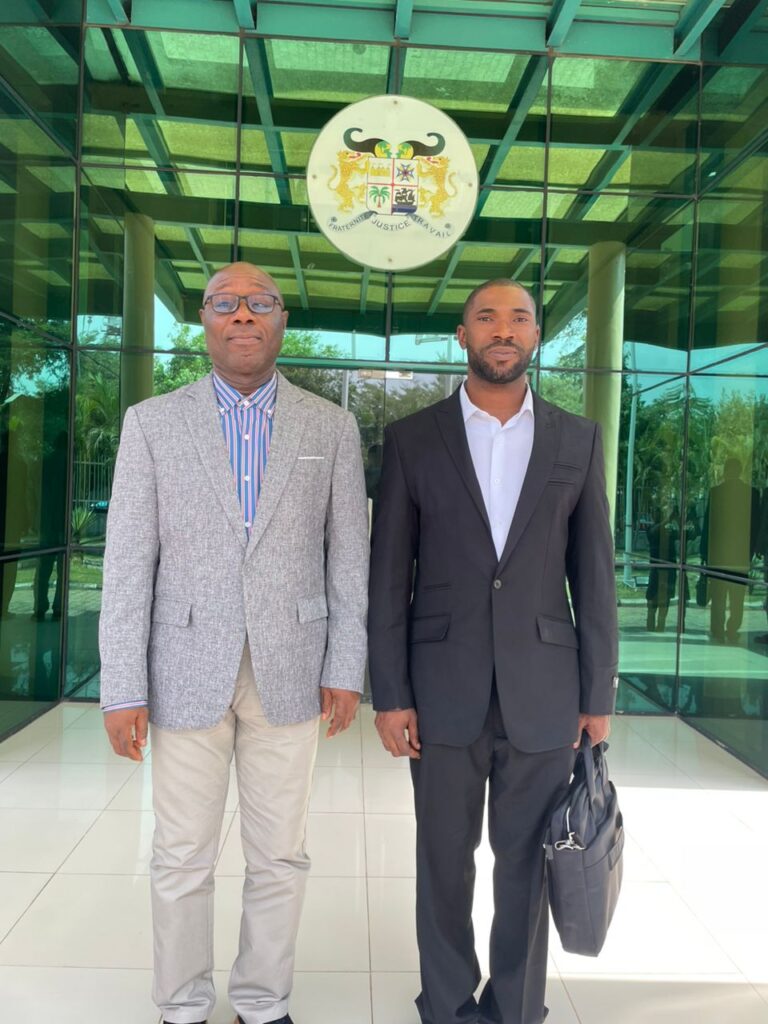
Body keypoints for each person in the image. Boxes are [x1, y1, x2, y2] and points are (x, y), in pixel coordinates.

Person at [99, 262, 369, 1024]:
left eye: (259, 303)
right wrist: (122, 685)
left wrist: (347, 664)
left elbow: (350, 559)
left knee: (280, 854)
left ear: (282, 319)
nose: (242, 315)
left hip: (294, 668)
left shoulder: (331, 426)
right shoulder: (151, 424)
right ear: (204, 319)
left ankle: (262, 1000)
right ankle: (182, 1004)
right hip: (183, 666)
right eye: (226, 302)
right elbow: (127, 562)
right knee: (181, 854)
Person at [368, 279, 618, 1024]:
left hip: (544, 689)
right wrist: (390, 693)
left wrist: (597, 696)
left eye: (518, 318)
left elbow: (594, 576)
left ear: (537, 335)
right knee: (443, 863)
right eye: (486, 317)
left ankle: (516, 1006)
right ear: (463, 334)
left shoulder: (578, 439)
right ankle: (447, 1004)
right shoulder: (414, 439)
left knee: (527, 865)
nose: (502, 330)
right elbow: (388, 577)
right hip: (440, 689)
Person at [701, 457, 760, 644]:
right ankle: (732, 629)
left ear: (726, 472)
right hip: (740, 555)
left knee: (718, 596)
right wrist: (751, 551)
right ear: (740, 471)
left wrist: (704, 552)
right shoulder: (752, 494)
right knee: (737, 598)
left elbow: (709, 525)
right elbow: (756, 526)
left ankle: (718, 630)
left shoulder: (716, 492)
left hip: (719, 555)